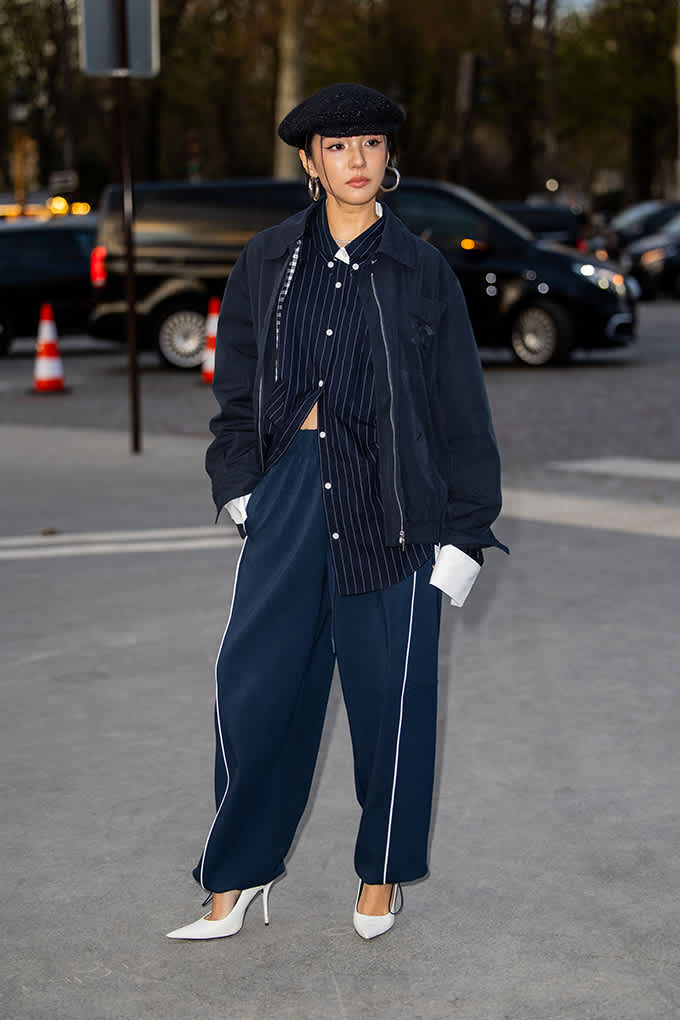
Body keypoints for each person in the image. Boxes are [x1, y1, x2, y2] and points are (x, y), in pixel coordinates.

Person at [167, 82, 507, 943]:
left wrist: (466, 532)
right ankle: (238, 876)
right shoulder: (267, 262)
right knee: (257, 691)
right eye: (338, 148)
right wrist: (241, 485)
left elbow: (460, 410)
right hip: (288, 496)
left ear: (389, 159)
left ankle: (383, 875)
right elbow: (235, 387)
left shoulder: (422, 271)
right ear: (311, 162)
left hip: (393, 504)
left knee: (390, 700)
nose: (356, 162)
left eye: (371, 146)